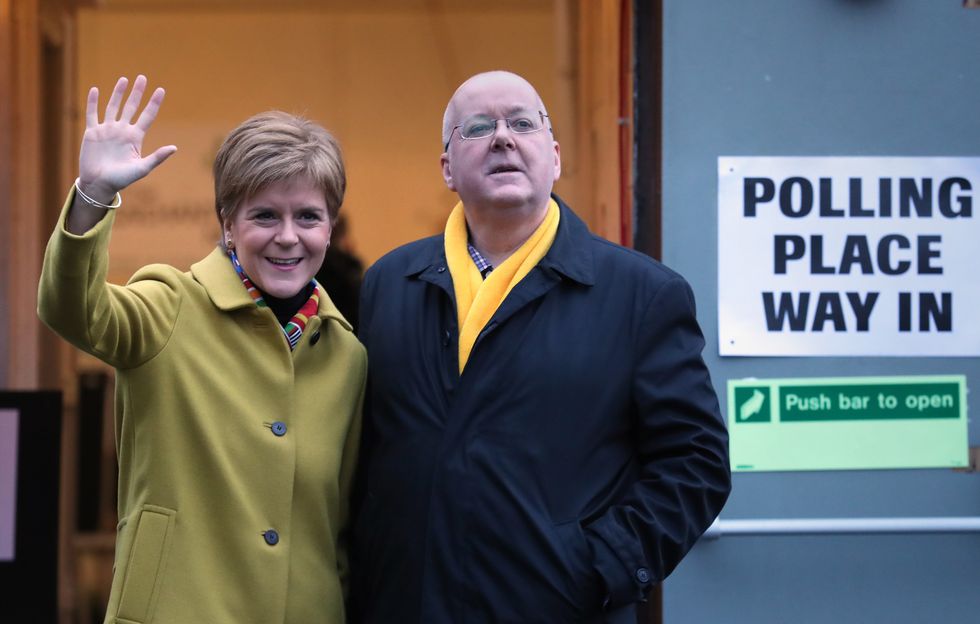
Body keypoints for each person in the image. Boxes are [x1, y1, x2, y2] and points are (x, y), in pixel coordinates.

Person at [349, 71, 731, 624]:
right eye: (478, 127)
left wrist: (601, 567)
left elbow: (696, 463)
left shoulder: (641, 295)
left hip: (560, 609)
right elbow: (363, 452)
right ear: (447, 168)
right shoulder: (390, 283)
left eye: (522, 123)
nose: (503, 138)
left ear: (554, 157)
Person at [37, 75, 365, 624]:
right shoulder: (169, 306)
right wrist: (93, 196)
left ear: (330, 229)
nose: (288, 236)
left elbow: (340, 525)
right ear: (228, 225)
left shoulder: (347, 354)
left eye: (308, 216)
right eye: (265, 215)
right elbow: (72, 311)